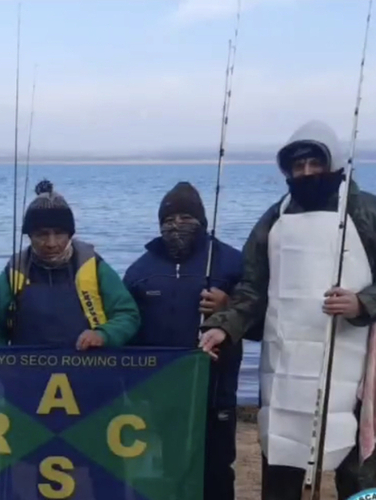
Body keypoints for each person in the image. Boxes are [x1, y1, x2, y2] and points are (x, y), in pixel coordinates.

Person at [198, 120, 376, 500]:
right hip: (284, 368)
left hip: (351, 362)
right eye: (297, 166)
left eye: (314, 163)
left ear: (334, 164)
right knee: (283, 458)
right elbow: (252, 288)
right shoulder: (274, 219)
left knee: (356, 468)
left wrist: (363, 301)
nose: (305, 173)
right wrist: (224, 325)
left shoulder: (372, 212)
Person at [123, 181, 244, 500]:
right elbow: (126, 328)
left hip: (216, 389)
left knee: (217, 467)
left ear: (202, 222)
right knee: (167, 465)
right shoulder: (140, 270)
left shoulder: (231, 262)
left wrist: (227, 308)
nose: (177, 225)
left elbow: (258, 322)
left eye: (186, 218)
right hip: (160, 393)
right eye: (169, 219)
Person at [0, 179, 140, 348]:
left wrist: (104, 334)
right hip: (26, 371)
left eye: (59, 233)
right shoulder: (14, 272)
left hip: (91, 367)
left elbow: (128, 315)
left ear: (70, 234)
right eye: (42, 234)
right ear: (30, 236)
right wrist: (1, 361)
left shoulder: (94, 267)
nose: (51, 243)